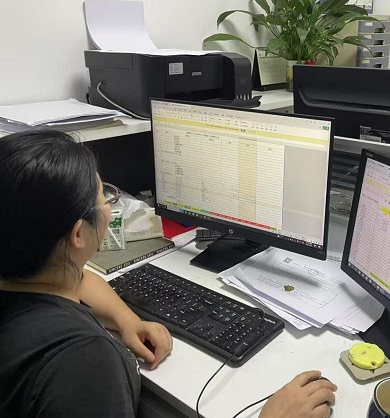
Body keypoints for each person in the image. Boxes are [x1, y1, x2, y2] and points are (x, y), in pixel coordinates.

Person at [0, 129, 337, 418]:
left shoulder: (27, 280)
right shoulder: (82, 363)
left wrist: (128, 321)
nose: (109, 206)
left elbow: (82, 280)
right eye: (104, 197)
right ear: (78, 234)